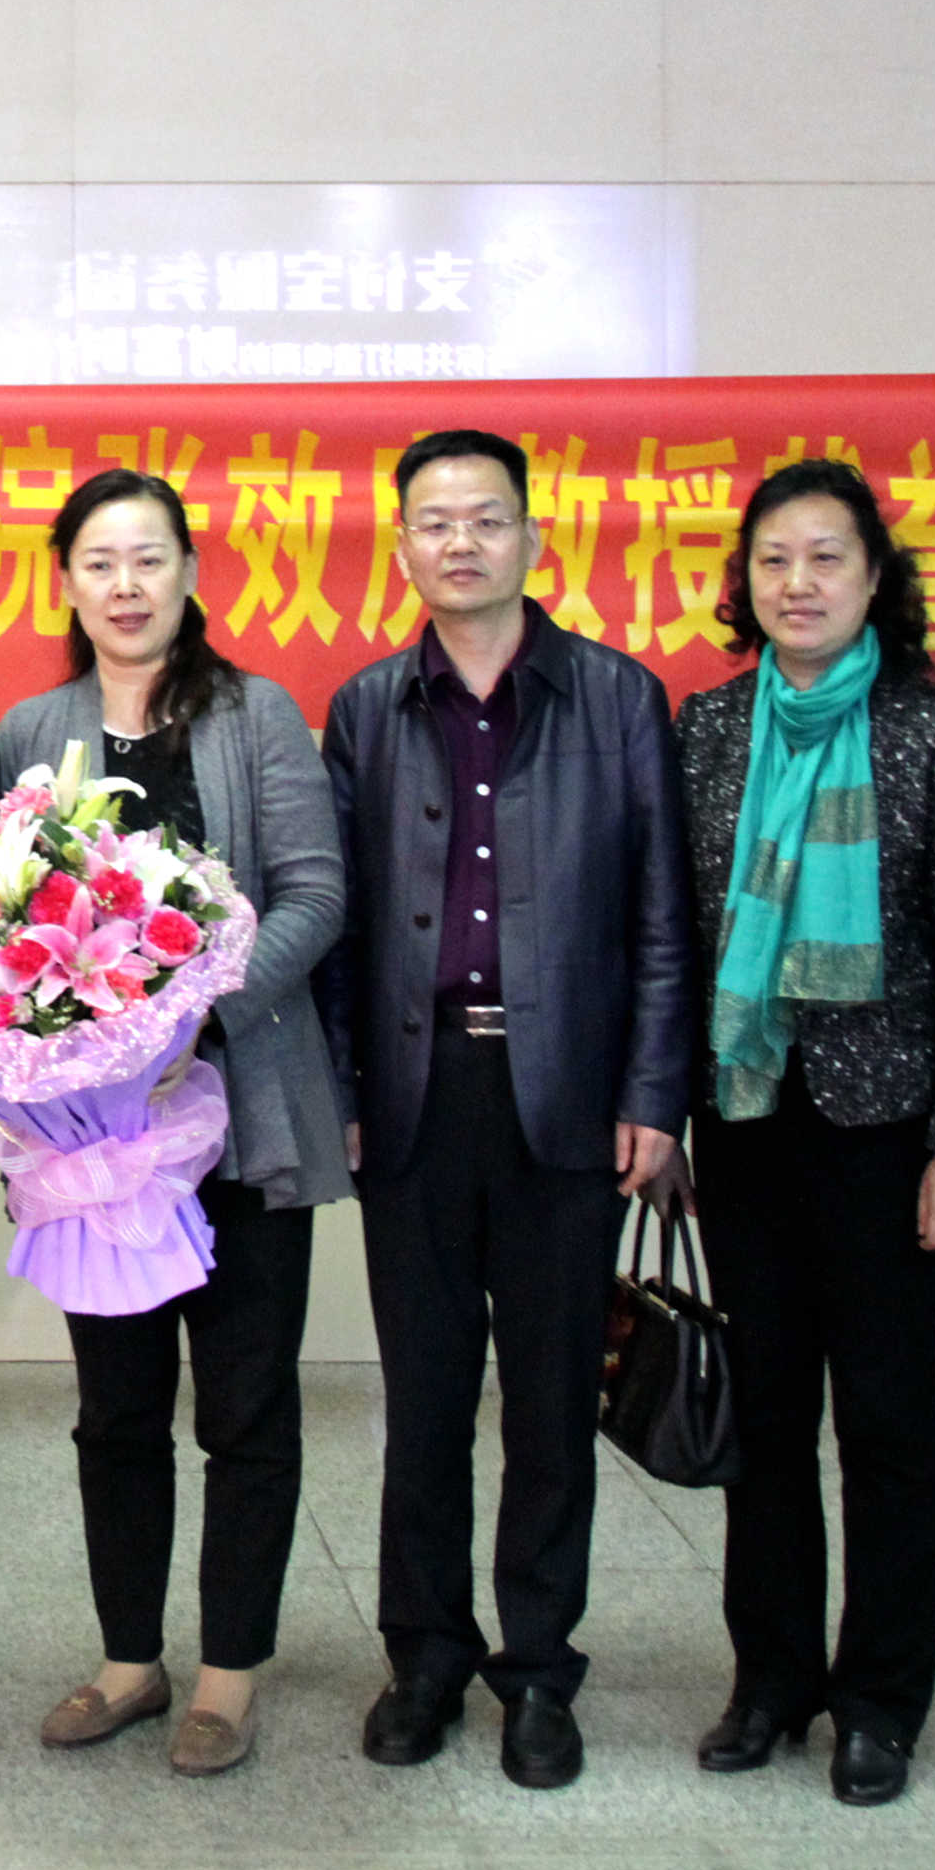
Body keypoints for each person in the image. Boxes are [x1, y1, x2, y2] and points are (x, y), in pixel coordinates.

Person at [318, 429, 687, 1790]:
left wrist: (653, 1092)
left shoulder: (615, 696)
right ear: (402, 546)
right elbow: (341, 922)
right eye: (434, 521)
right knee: (422, 1400)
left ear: (533, 537)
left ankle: (537, 1667)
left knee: (548, 1401)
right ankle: (423, 1655)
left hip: (568, 1098)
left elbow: (662, 914)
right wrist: (345, 1088)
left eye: (486, 518)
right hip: (417, 1097)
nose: (460, 542)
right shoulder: (368, 705)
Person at [0, 470, 346, 1778]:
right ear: (67, 581)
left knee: (245, 1407)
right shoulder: (33, 729)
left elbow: (315, 893)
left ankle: (229, 1674)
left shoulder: (258, 715)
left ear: (190, 574)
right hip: (100, 1144)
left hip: (241, 1122)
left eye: (149, 558)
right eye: (100, 561)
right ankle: (130, 1660)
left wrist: (196, 1011)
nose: (126, 585)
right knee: (116, 1411)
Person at [670, 460, 935, 1807]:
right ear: (744, 583)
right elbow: (676, 933)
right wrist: (670, 1108)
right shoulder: (709, 727)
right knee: (765, 1415)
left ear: (876, 577)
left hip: (888, 1130)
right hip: (747, 1115)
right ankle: (770, 1679)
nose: (797, 582)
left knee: (885, 1417)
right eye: (774, 559)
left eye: (825, 557)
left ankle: (878, 1698)